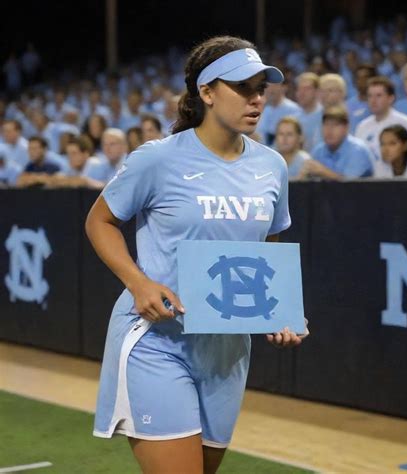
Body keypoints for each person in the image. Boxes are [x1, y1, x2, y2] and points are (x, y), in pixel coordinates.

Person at [85, 36, 307, 474]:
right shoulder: (157, 159)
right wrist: (138, 282)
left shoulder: (272, 166)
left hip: (227, 352)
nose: (256, 99)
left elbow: (269, 244)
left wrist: (276, 310)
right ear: (206, 92)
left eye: (261, 88)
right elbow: (99, 222)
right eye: (242, 87)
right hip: (157, 341)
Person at [355, 76, 407, 161]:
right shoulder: (362, 127)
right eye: (370, 96)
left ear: (391, 98)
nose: (373, 100)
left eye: (378, 95)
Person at [299, 105, 373, 180]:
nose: (329, 130)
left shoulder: (358, 150)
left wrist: (324, 172)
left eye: (335, 125)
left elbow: (352, 184)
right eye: (326, 124)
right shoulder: (318, 150)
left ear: (346, 128)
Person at [294, 72, 322, 151]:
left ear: (317, 92)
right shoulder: (294, 118)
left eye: (306, 89)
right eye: (299, 89)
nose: (301, 93)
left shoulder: (325, 116)